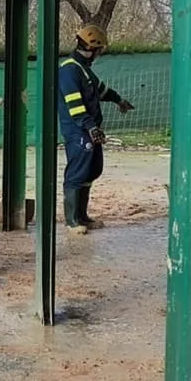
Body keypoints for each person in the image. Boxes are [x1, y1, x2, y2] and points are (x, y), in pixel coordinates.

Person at [57, 23, 134, 234]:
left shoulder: (84, 71)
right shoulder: (69, 70)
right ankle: (72, 221)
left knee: (93, 169)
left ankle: (83, 216)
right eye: (99, 50)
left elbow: (101, 90)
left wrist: (119, 100)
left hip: (90, 130)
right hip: (78, 131)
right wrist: (90, 127)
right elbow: (75, 105)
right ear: (91, 48)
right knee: (77, 172)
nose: (100, 53)